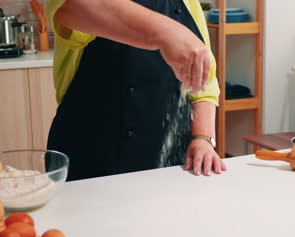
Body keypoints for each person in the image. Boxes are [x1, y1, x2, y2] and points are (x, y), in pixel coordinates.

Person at [45, 0, 226, 181]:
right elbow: (74, 7)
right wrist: (167, 32)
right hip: (92, 160)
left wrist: (203, 138)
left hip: (175, 162)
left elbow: (204, 75)